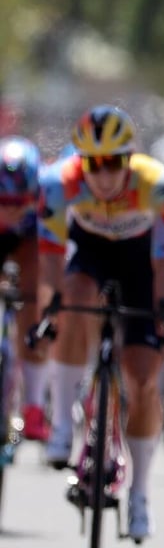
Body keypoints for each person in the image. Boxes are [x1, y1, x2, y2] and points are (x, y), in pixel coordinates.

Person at [38, 105, 164, 541]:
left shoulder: (156, 186)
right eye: (92, 163)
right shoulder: (59, 186)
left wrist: (162, 313)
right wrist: (49, 308)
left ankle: (140, 494)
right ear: (80, 161)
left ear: (128, 158)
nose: (102, 174)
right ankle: (63, 421)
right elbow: (49, 260)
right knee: (73, 300)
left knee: (141, 379)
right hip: (90, 254)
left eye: (113, 162)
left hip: (140, 264)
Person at [0, 137, 50, 442]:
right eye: (3, 203)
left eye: (20, 202)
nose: (12, 210)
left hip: (31, 242)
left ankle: (33, 405)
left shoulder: (48, 196)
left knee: (35, 303)